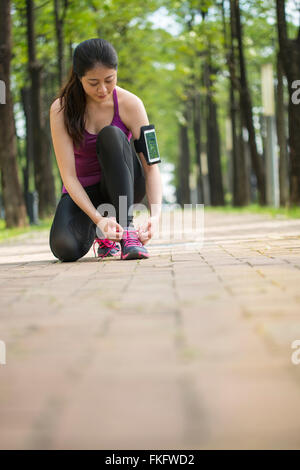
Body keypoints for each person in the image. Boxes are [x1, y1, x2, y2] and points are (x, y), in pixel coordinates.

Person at [49, 38, 162, 262]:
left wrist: (156, 216)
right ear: (78, 77)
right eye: (93, 82)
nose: (102, 89)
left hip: (125, 183)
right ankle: (105, 234)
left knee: (110, 134)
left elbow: (152, 167)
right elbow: (69, 177)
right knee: (65, 248)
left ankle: (127, 232)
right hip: (84, 191)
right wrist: (98, 219)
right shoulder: (60, 109)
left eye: (109, 80)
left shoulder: (132, 104)